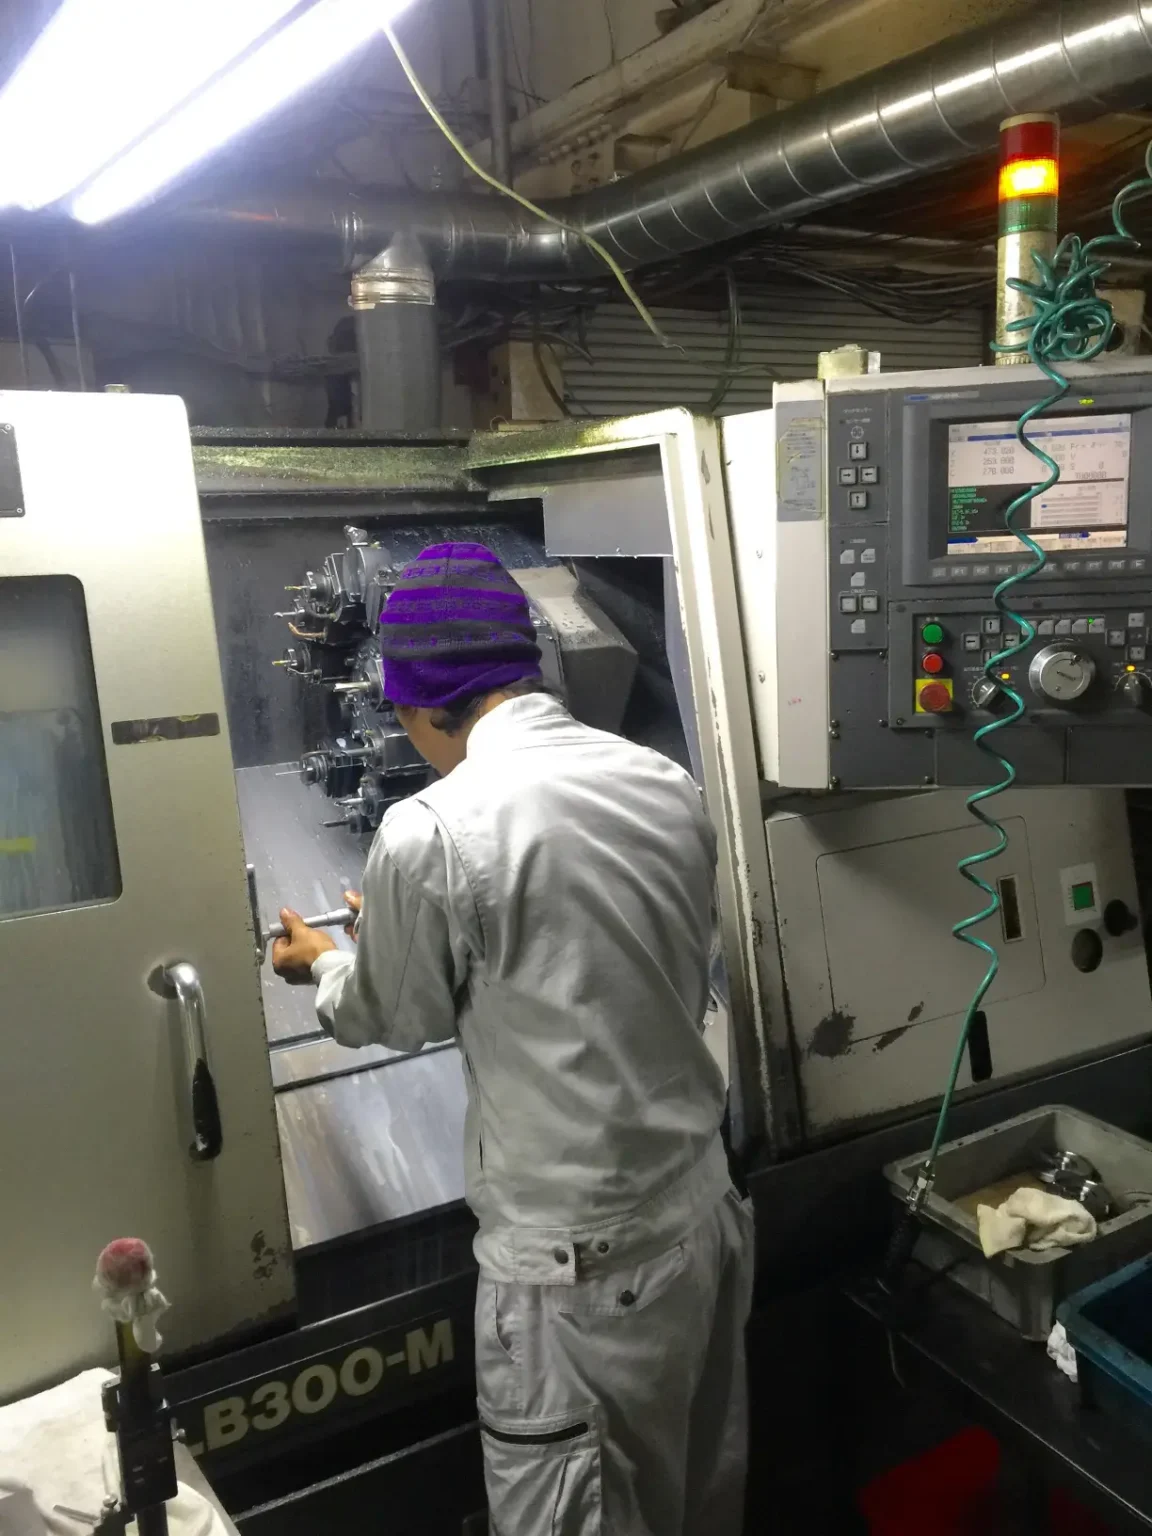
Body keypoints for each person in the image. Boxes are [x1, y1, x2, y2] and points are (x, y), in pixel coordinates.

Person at [272, 542, 754, 1535]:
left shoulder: (432, 830)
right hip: (705, 1227)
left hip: (578, 1287)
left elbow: (386, 1016)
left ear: (410, 704)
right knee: (696, 1510)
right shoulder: (662, 781)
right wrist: (422, 923)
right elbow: (617, 951)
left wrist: (327, 958)